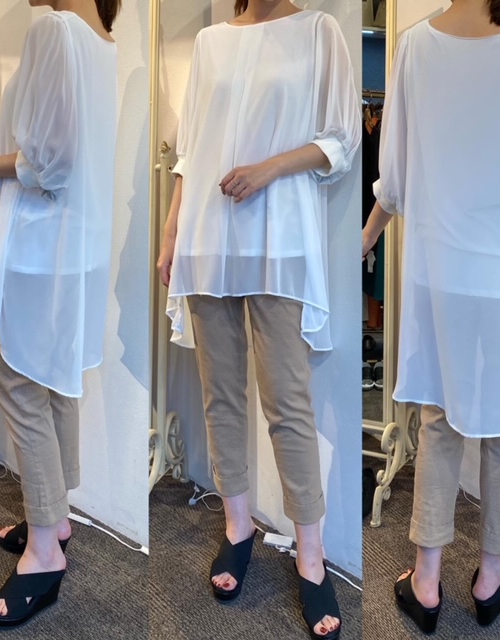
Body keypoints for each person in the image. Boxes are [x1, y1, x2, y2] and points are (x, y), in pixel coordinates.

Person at [363, 0, 500, 633]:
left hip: (440, 273)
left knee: (439, 416)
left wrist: (365, 237)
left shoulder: (413, 45)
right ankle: (490, 575)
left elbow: (394, 177)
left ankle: (426, 578)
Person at [157, 0, 360, 637]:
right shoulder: (211, 42)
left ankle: (311, 555)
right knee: (220, 394)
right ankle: (237, 526)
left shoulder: (319, 32)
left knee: (287, 401)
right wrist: (171, 231)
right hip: (208, 236)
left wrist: (269, 168)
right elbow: (191, 152)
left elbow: (341, 140)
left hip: (279, 240)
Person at [0, 0, 119, 629]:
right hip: (75, 246)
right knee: (54, 381)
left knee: (22, 386)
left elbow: (50, 162)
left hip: (39, 245)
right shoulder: (101, 42)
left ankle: (46, 552)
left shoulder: (54, 29)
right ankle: (54, 517)